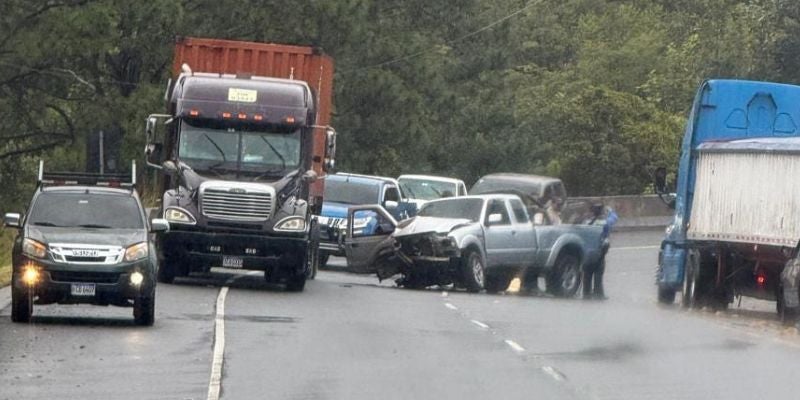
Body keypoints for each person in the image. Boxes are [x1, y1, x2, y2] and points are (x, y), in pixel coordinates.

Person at [582, 204, 618, 300]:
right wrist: (610, 211)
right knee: (598, 273)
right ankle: (598, 293)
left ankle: (586, 294)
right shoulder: (604, 223)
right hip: (599, 252)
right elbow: (614, 218)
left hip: (587, 251)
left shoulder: (586, 222)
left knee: (587, 274)